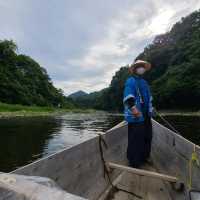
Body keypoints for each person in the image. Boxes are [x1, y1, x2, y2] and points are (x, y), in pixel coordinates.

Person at [123, 60, 153, 168]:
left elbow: (148, 97)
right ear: (135, 69)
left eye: (143, 66)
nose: (141, 68)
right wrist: (133, 108)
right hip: (136, 115)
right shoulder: (130, 81)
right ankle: (134, 161)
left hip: (146, 114)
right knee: (136, 139)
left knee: (147, 136)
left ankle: (144, 157)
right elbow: (128, 95)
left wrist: (150, 107)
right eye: (139, 66)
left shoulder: (144, 82)